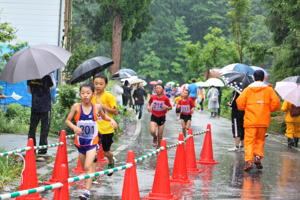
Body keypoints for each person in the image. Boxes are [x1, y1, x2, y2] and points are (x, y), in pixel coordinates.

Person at [65, 82, 117, 200]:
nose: (85, 95)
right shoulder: (76, 107)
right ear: (79, 95)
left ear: (93, 94)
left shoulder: (97, 107)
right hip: (80, 142)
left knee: (88, 165)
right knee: (84, 168)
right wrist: (74, 127)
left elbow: (104, 117)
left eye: (88, 93)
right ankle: (88, 183)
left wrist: (112, 121)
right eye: (83, 93)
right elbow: (67, 120)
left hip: (92, 142)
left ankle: (87, 192)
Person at [237, 70, 280, 171]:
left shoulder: (248, 90)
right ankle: (257, 156)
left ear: (254, 77)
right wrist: (269, 109)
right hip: (263, 120)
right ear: (263, 78)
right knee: (260, 140)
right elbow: (276, 103)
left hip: (250, 121)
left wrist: (244, 108)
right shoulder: (269, 90)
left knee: (249, 141)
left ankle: (249, 161)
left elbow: (239, 103)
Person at [92, 74, 119, 176]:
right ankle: (93, 175)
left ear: (106, 85)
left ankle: (111, 161)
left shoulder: (109, 97)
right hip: (95, 128)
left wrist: (102, 106)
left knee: (106, 153)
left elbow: (115, 111)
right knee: (93, 152)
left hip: (107, 128)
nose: (98, 86)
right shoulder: (91, 97)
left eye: (101, 84)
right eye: (96, 84)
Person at [27, 72, 56, 155]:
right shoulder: (47, 78)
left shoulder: (31, 77)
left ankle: (31, 148)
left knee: (32, 129)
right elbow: (53, 86)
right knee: (44, 129)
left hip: (35, 106)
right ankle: (42, 150)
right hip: (45, 107)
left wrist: (37, 93)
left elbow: (29, 91)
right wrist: (51, 74)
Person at [147, 83, 172, 148]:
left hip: (162, 117)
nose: (157, 90)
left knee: (160, 135)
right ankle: (155, 137)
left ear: (163, 89)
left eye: (159, 88)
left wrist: (166, 107)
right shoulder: (153, 97)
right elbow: (149, 103)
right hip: (154, 116)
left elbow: (170, 107)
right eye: (156, 88)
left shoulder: (165, 98)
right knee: (152, 131)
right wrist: (148, 107)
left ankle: (158, 147)